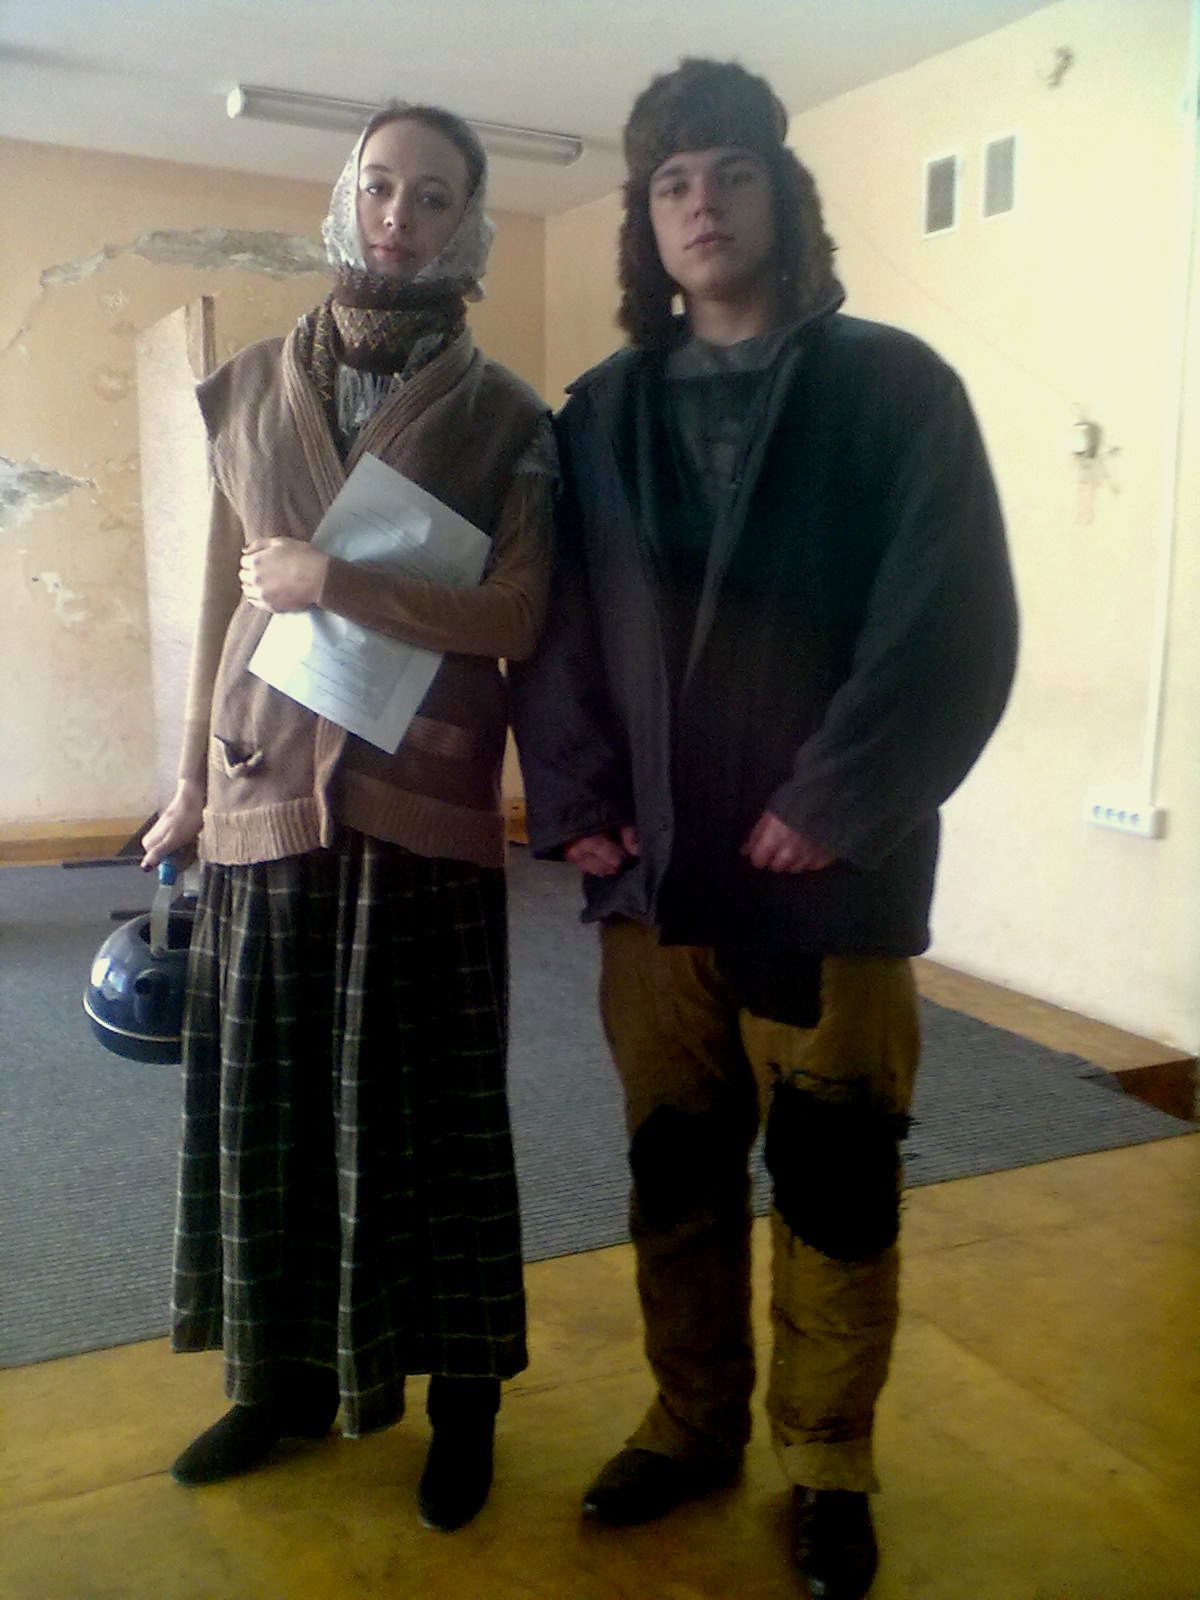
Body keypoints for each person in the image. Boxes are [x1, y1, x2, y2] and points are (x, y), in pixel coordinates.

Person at [510, 58, 1017, 1598]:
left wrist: (834, 797)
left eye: (731, 172)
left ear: (783, 198)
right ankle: (692, 1420)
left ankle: (828, 1461)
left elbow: (950, 620)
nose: (702, 203)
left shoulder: (896, 390)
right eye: (671, 183)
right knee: (676, 1169)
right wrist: (581, 803)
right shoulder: (600, 416)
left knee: (837, 1179)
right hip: (656, 885)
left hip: (830, 886)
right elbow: (560, 631)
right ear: (645, 222)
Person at [140, 101, 554, 1533]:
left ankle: (465, 1401)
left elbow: (516, 613)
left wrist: (344, 584)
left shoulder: (506, 419)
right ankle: (281, 1382)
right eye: (380, 185)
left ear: (467, 221)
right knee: (271, 1109)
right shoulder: (252, 389)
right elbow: (223, 602)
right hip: (263, 796)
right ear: (344, 195)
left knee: (434, 1123)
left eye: (434, 195)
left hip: (421, 808)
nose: (399, 216)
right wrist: (190, 779)